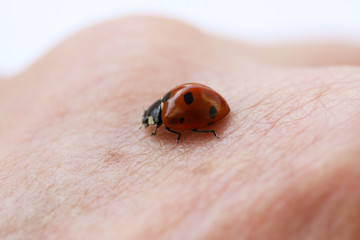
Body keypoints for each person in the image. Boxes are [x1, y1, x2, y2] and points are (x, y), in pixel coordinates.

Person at [0, 16, 359, 239]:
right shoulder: (167, 112)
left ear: (157, 117)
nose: (151, 126)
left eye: (151, 122)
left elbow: (179, 123)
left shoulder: (171, 120)